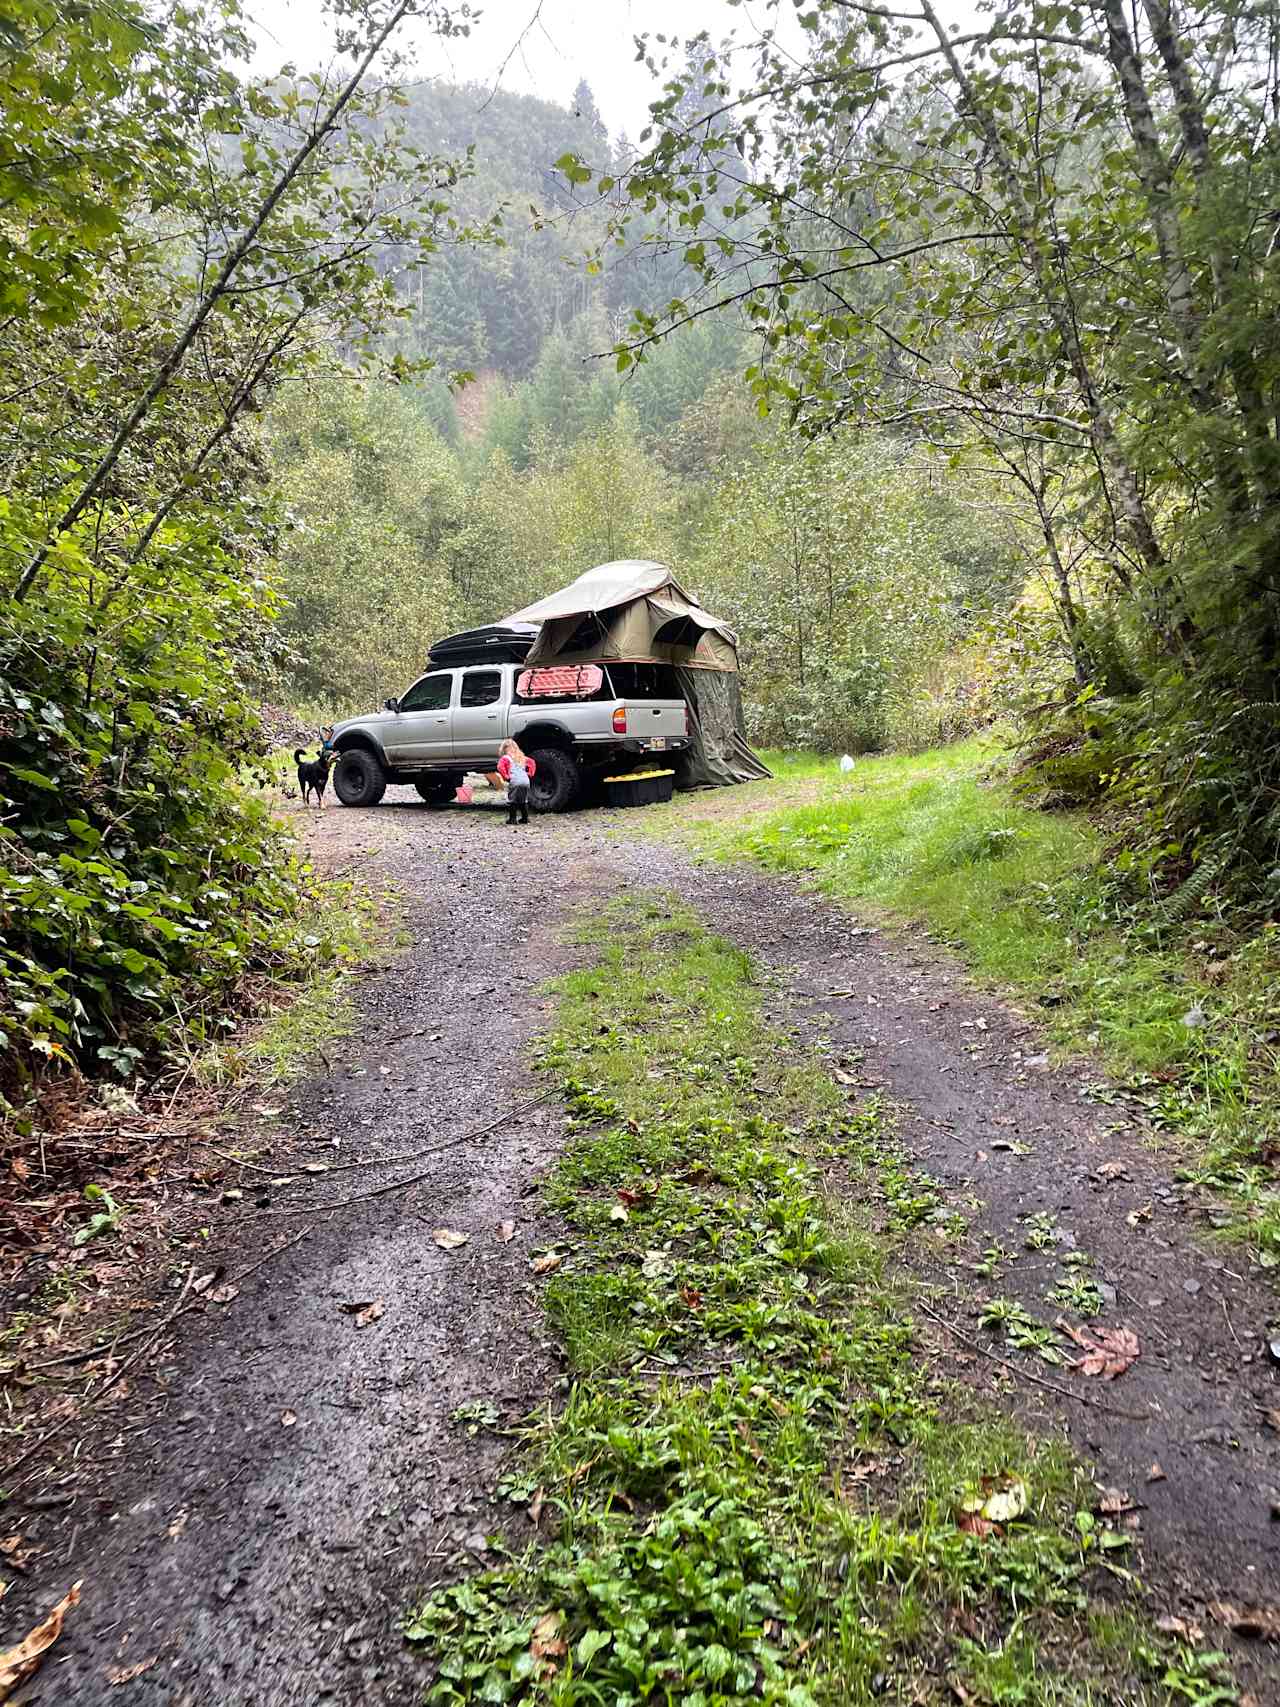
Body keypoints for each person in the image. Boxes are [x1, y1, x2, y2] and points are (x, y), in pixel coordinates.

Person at [496, 738, 537, 825]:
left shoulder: (505, 758)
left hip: (515, 781)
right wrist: (530, 774)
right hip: (526, 781)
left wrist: (506, 776)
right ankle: (525, 818)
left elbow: (500, 767)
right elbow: (532, 763)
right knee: (523, 800)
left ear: (504, 749)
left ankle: (512, 819)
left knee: (512, 800)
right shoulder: (521, 757)